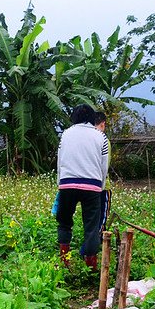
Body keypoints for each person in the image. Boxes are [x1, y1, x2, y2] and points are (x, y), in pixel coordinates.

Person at [55, 104, 109, 271]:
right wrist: (101, 186)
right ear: (93, 118)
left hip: (67, 183)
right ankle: (91, 266)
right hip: (92, 185)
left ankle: (65, 261)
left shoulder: (65, 135)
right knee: (91, 227)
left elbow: (60, 161)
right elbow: (103, 166)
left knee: (64, 222)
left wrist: (60, 183)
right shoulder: (101, 137)